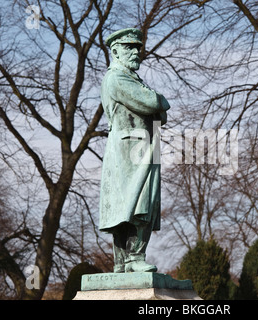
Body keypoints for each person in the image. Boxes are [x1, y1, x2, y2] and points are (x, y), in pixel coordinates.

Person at [99, 28, 170, 273]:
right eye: (129, 47)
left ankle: (124, 263)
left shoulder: (129, 78)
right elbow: (154, 103)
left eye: (137, 48)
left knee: (131, 206)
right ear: (115, 50)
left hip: (138, 146)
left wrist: (157, 108)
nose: (135, 52)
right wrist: (158, 103)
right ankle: (132, 259)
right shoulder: (118, 78)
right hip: (133, 149)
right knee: (137, 204)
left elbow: (161, 115)